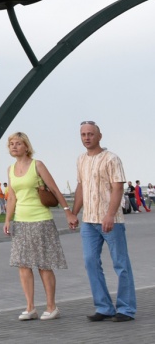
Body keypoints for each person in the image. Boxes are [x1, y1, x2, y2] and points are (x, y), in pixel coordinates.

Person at [67, 121, 135, 322]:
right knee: (90, 262)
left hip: (111, 221)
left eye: (90, 134)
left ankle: (126, 308)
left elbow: (118, 188)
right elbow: (81, 187)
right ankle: (104, 307)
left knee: (121, 263)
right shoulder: (81, 159)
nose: (87, 138)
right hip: (89, 222)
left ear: (99, 136)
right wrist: (74, 213)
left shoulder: (111, 159)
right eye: (83, 134)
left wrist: (110, 215)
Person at [2, 131, 69, 321]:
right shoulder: (10, 169)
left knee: (43, 264)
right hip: (21, 221)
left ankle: (51, 307)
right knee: (23, 264)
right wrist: (8, 220)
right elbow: (12, 197)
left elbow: (54, 188)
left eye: (18, 143)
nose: (14, 147)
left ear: (26, 146)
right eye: (11, 144)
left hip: (41, 220)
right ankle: (30, 307)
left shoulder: (37, 165)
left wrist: (67, 210)